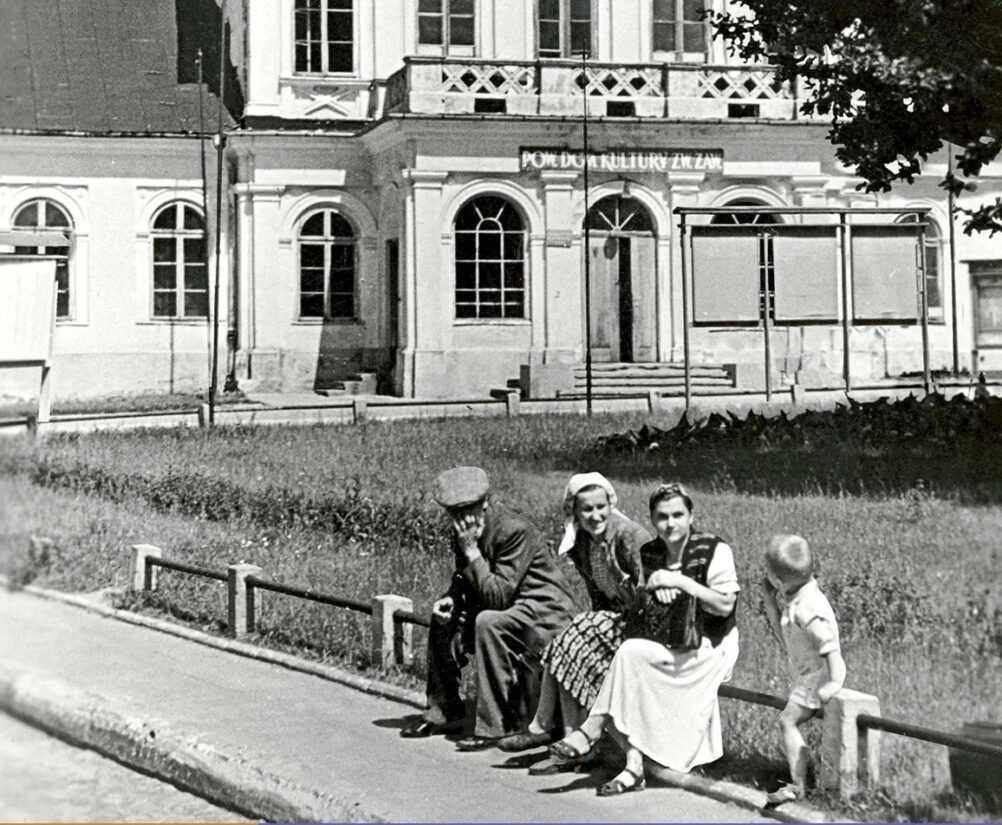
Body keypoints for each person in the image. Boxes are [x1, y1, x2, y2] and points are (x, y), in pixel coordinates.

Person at [548, 482, 740, 796]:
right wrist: (650, 591)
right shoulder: (651, 552)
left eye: (678, 514)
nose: (671, 523)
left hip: (711, 646)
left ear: (691, 516)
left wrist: (681, 582)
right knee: (626, 656)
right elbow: (645, 608)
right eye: (662, 516)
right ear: (652, 519)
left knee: (628, 656)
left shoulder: (713, 550)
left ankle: (593, 731)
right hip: (671, 640)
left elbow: (724, 605)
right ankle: (632, 766)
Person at [400, 466, 579, 751]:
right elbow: (465, 576)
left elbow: (499, 597)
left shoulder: (513, 530)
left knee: (488, 621)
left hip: (544, 609)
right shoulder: (464, 533)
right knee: (445, 621)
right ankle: (444, 710)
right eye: (455, 513)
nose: (462, 520)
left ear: (486, 503)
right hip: (511, 608)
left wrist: (471, 551)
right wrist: (453, 597)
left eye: (468, 510)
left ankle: (497, 724)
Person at [497, 473, 650, 774]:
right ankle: (570, 741)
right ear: (574, 512)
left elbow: (649, 596)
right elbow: (598, 597)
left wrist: (595, 626)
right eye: (587, 510)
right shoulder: (582, 542)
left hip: (642, 625)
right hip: (614, 620)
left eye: (600, 507)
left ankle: (544, 727)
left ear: (611, 504)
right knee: (566, 644)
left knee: (573, 636)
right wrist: (591, 626)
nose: (595, 516)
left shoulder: (629, 535)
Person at [761, 534, 846, 805]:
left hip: (817, 677)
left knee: (787, 721)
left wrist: (834, 681)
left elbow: (831, 647)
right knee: (791, 722)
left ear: (777, 579)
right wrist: (770, 602)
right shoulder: (797, 599)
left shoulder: (808, 609)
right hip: (808, 675)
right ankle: (804, 775)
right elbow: (782, 636)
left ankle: (798, 786)